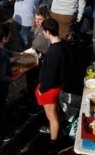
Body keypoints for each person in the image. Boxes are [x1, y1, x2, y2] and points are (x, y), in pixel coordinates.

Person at [36, 18, 68, 148]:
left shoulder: (54, 51)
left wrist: (42, 89)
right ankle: (56, 131)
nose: (42, 33)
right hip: (58, 83)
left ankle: (53, 141)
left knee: (51, 116)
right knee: (55, 111)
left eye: (44, 31)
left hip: (50, 87)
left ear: (48, 32)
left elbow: (50, 74)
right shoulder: (63, 44)